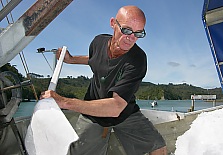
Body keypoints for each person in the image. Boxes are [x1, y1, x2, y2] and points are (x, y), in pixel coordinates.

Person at [40, 5, 167, 155]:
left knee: (158, 148)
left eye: (138, 33)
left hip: (124, 114)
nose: (131, 38)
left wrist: (64, 102)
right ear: (113, 23)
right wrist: (72, 59)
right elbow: (96, 60)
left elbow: (116, 107)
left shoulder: (137, 60)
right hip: (92, 113)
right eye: (126, 30)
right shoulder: (98, 42)